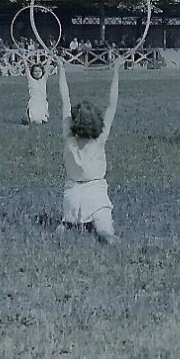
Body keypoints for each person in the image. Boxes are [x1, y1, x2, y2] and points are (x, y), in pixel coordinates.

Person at [55, 54, 121, 244]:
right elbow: (112, 104)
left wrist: (61, 69)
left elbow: (65, 100)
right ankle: (106, 236)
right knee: (104, 230)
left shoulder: (69, 137)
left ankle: (66, 225)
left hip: (72, 195)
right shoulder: (100, 138)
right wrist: (116, 71)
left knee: (67, 223)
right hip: (96, 193)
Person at [23, 52, 52, 125]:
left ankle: (42, 117)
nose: (37, 73)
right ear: (32, 73)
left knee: (41, 120)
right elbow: (26, 68)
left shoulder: (44, 80)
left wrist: (50, 57)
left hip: (42, 102)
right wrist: (23, 58)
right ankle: (28, 117)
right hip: (33, 102)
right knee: (33, 120)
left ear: (42, 72)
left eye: (39, 71)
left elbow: (47, 66)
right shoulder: (31, 80)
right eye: (35, 71)